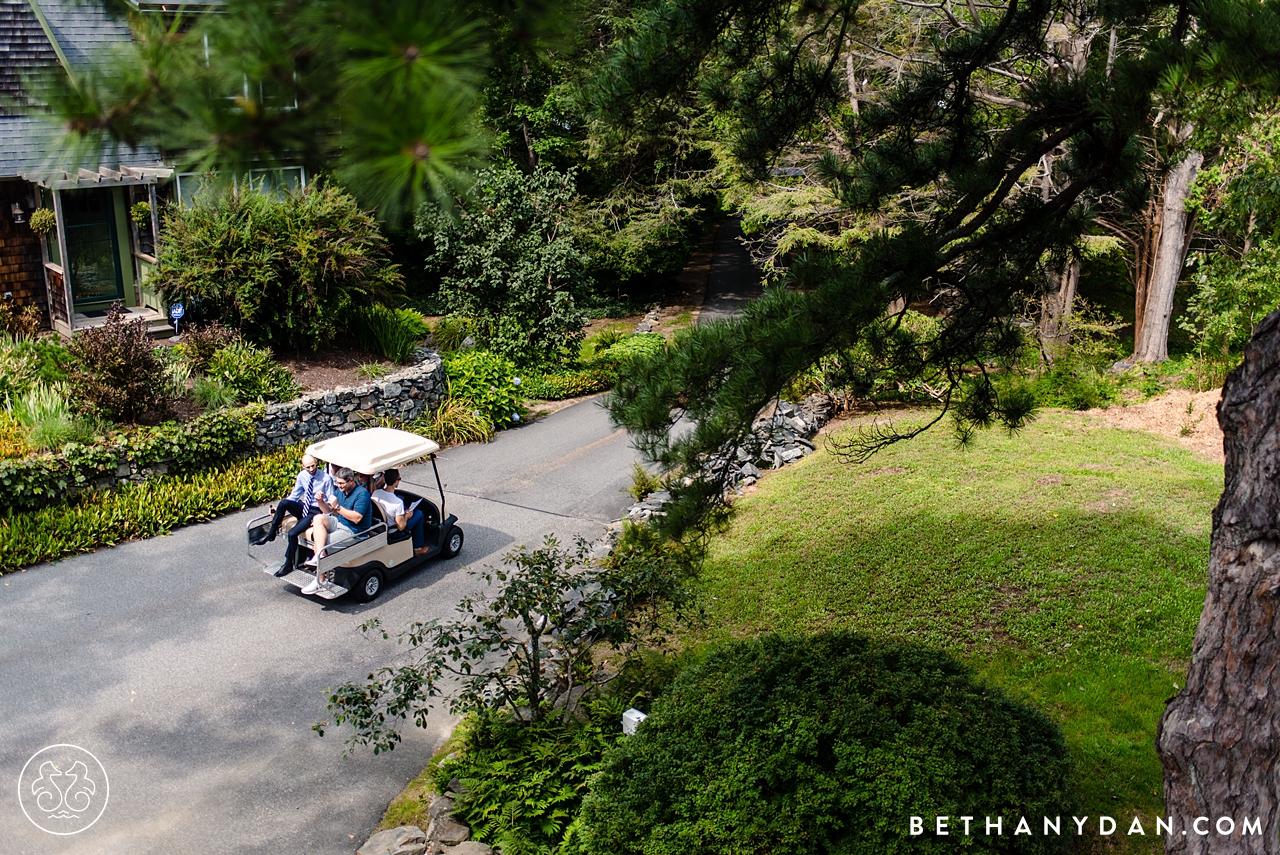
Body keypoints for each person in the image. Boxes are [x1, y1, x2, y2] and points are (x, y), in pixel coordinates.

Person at [254, 454, 335, 578]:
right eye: (308, 467)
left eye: (313, 466)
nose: (311, 469)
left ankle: (288, 563)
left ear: (316, 463)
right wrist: (280, 508)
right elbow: (294, 495)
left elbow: (330, 502)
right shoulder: (302, 476)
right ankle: (272, 531)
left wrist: (321, 519)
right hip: (305, 506)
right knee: (284, 503)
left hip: (315, 511)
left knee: (292, 533)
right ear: (303, 466)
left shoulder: (326, 478)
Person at [301, 467, 371, 594]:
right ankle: (320, 556)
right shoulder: (340, 490)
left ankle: (320, 580)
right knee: (318, 519)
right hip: (339, 522)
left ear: (351, 481)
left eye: (341, 483)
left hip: (354, 531)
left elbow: (356, 518)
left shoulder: (362, 494)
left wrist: (337, 507)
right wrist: (320, 501)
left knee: (322, 544)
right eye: (337, 482)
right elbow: (327, 510)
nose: (338, 486)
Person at [371, 468, 430, 556]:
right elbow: (401, 527)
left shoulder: (376, 493)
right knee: (419, 514)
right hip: (393, 532)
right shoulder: (397, 502)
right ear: (396, 482)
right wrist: (407, 517)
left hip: (380, 526)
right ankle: (418, 547)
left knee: (406, 509)